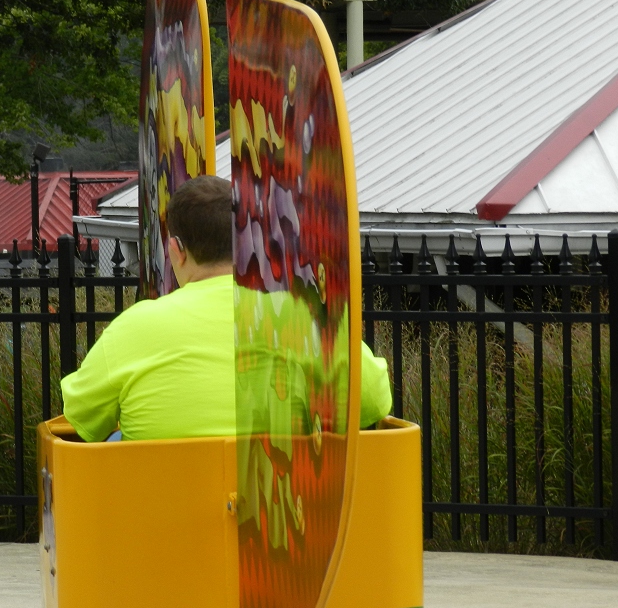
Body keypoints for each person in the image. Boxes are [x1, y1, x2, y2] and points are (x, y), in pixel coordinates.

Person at [61, 175, 392, 442]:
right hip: (279, 515)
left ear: (176, 250)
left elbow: (80, 416)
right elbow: (374, 402)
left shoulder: (133, 327)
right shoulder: (302, 318)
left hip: (160, 516)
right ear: (248, 243)